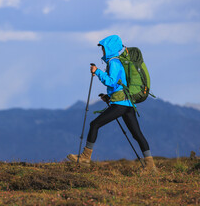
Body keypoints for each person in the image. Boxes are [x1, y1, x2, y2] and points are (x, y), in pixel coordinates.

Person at [67, 34, 157, 171]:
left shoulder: (114, 62)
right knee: (137, 134)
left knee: (94, 124)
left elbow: (111, 82)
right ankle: (151, 166)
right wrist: (108, 97)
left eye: (103, 48)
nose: (102, 51)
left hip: (121, 104)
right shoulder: (116, 62)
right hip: (127, 103)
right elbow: (120, 85)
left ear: (109, 48)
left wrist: (97, 71)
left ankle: (85, 157)